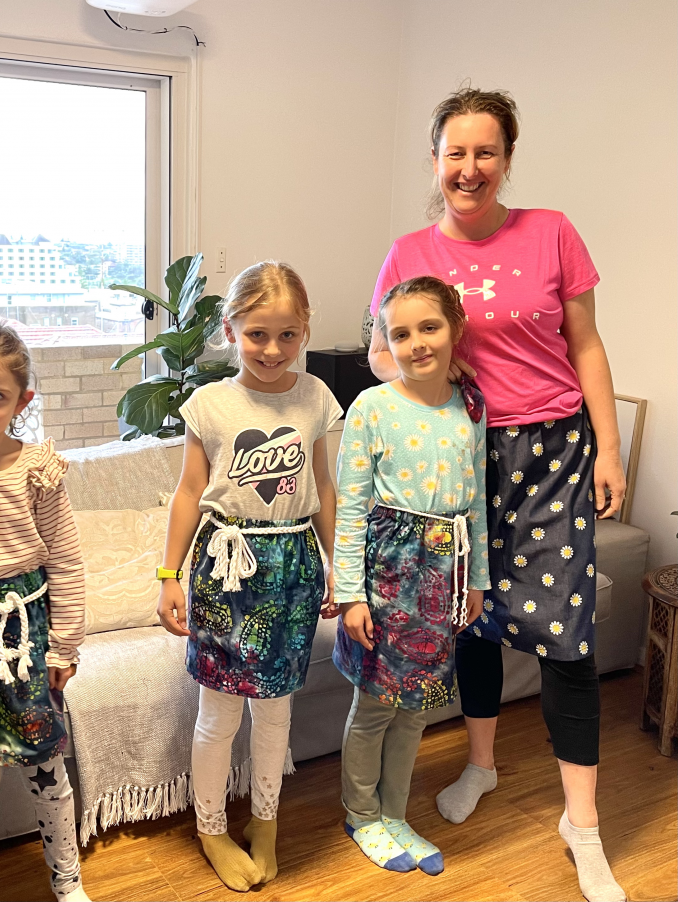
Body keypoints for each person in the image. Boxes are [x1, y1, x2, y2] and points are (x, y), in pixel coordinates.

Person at [368, 87, 627, 902]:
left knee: (567, 639)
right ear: (435, 159)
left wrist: (609, 451)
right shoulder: (409, 252)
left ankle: (581, 825)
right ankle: (480, 765)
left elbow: (586, 345)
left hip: (552, 454)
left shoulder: (550, 232)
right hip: (460, 454)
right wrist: (431, 382)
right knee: (472, 620)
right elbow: (383, 355)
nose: (469, 168)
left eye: (485, 153)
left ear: (506, 159)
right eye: (455, 153)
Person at [156, 261, 340, 892]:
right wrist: (168, 574)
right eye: (257, 333)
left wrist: (335, 567)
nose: (272, 348)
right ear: (230, 331)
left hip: (291, 569)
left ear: (305, 330)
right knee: (220, 714)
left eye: (287, 334)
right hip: (225, 571)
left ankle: (267, 821)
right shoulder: (208, 404)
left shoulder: (316, 397)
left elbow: (322, 487)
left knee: (276, 713)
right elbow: (188, 492)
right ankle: (210, 827)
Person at [333, 276, 489, 876]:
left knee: (418, 705)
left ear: (455, 328)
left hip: (447, 573)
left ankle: (395, 813)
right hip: (388, 573)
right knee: (375, 704)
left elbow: (475, 500)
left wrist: (476, 581)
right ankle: (362, 812)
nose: (417, 343)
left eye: (429, 327)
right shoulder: (371, 408)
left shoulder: (471, 406)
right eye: (400, 333)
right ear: (384, 343)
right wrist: (350, 596)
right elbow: (350, 507)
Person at [0, 323, 89, 902]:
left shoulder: (37, 471)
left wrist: (64, 643)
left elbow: (65, 559)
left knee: (45, 769)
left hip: (25, 632)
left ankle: (68, 881)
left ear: (21, 401)